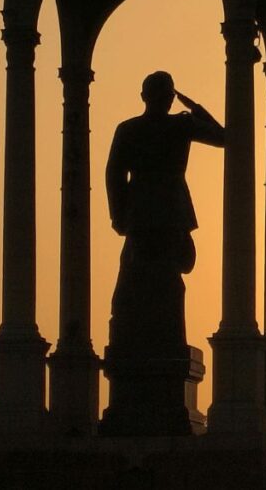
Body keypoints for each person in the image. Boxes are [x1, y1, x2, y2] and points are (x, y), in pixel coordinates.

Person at [104, 70, 224, 357]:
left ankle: (141, 337)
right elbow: (223, 136)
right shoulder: (181, 125)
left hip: (143, 212)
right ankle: (164, 337)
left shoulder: (129, 129)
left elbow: (114, 175)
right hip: (170, 211)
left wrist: (119, 215)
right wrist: (194, 107)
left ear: (143, 96)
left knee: (140, 276)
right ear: (170, 97)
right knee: (163, 279)